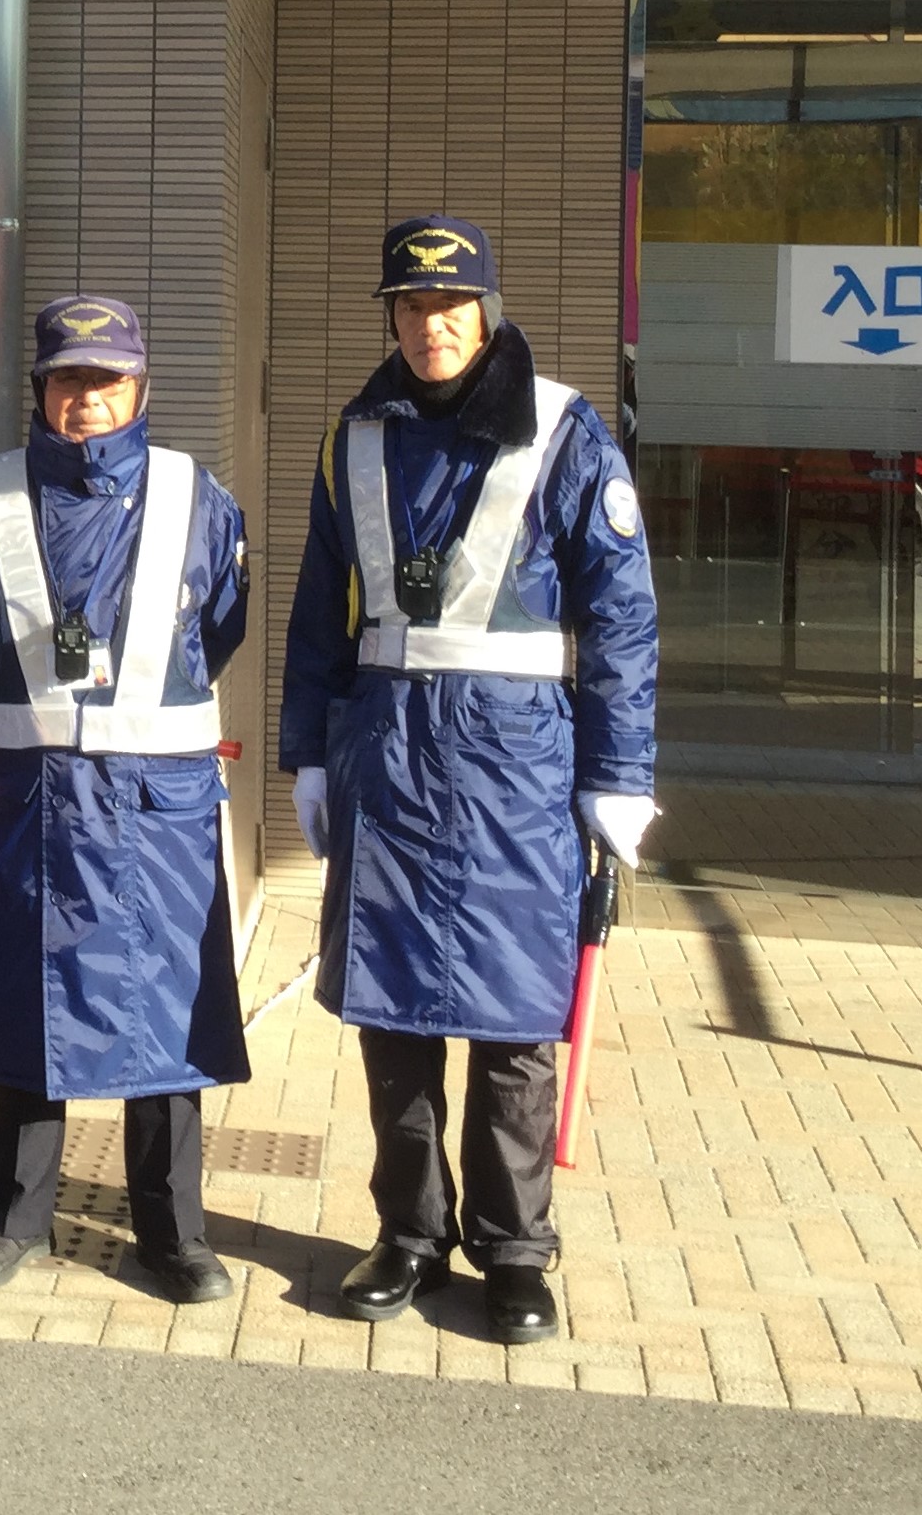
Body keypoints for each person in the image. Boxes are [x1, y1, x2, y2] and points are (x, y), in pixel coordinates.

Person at [279, 215, 658, 1343]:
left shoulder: (564, 431)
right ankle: (408, 1232)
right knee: (391, 1022)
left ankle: (514, 1251)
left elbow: (622, 617)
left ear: (486, 312)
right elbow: (319, 612)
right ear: (390, 316)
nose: (430, 325)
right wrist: (308, 748)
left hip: (517, 772)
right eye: (409, 306)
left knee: (514, 1026)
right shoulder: (356, 435)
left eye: (450, 307)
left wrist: (619, 774)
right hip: (386, 761)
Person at [0, 295, 252, 1303]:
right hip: (31, 794)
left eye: (108, 379)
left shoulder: (201, 498)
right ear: (40, 390)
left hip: (158, 796)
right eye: (69, 379)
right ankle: (11, 1215)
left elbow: (224, 627)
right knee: (26, 1004)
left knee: (171, 1011)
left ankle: (175, 1233)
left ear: (141, 388)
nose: (88, 398)